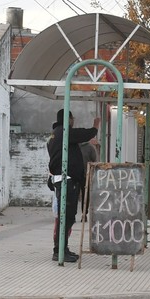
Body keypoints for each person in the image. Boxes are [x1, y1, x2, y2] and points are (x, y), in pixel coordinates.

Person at [48, 109, 100, 261]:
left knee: (66, 217)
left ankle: (62, 249)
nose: (73, 121)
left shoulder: (54, 135)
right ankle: (59, 251)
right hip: (67, 181)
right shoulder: (64, 132)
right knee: (66, 217)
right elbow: (83, 134)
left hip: (63, 180)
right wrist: (95, 127)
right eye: (72, 118)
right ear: (68, 119)